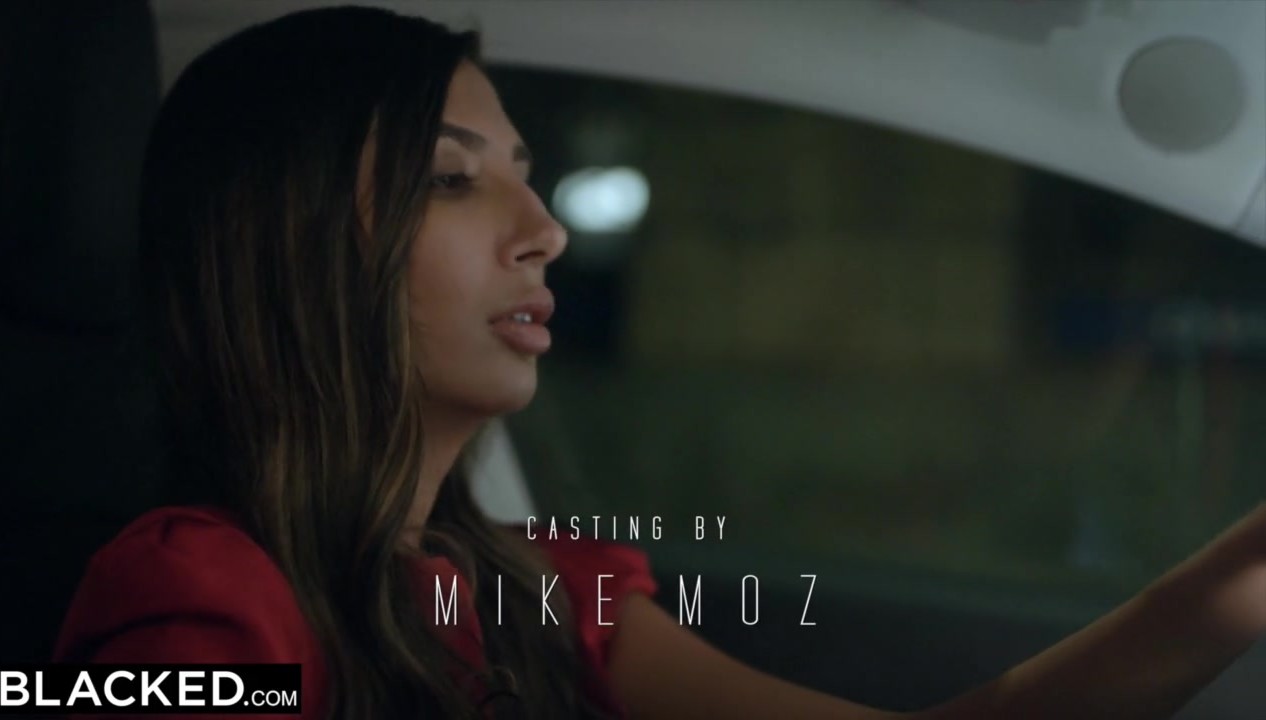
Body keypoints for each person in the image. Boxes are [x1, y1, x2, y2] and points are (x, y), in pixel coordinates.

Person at [54, 6, 1266, 720]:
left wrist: (1236, 579)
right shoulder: (205, 600)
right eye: (451, 179)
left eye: (528, 175)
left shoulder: (541, 592)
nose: (545, 231)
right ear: (292, 243)